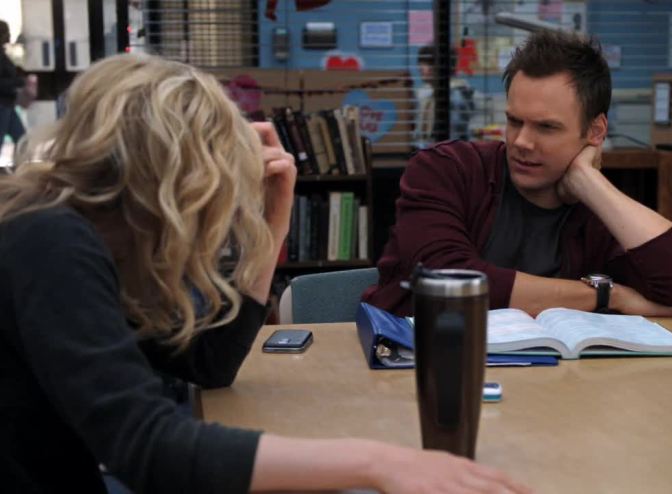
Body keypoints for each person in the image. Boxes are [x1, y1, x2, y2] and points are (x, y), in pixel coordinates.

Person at [0, 54, 531, 493]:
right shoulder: (48, 240)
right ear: (167, 175)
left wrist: (274, 220)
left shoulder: (85, 235)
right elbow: (148, 447)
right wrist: (378, 462)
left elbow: (207, 364)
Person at [364, 31, 672, 318]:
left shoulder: (595, 212)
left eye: (546, 127)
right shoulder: (445, 169)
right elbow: (446, 281)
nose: (521, 141)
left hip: (555, 379)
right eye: (514, 121)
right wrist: (608, 296)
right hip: (419, 366)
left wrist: (589, 183)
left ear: (595, 131)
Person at [414, 44, 475, 144]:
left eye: (428, 64)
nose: (421, 68)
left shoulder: (454, 96)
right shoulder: (429, 93)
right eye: (421, 63)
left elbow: (454, 137)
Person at [0, 20, 30, 144]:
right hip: (2, 105)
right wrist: (18, 81)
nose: (10, 35)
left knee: (22, 139)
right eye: (7, 32)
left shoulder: (3, 55)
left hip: (7, 105)